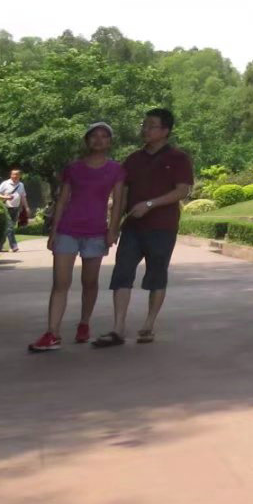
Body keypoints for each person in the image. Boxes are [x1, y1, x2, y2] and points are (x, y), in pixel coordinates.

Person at [94, 108, 193, 348]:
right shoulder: (133, 159)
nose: (145, 130)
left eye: (152, 126)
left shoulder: (178, 158)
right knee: (122, 273)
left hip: (162, 227)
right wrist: (114, 226)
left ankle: (148, 324)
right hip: (133, 227)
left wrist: (150, 204)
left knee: (157, 275)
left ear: (165, 131)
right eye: (145, 125)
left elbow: (183, 190)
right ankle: (118, 328)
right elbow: (122, 194)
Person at [28, 123, 124, 352]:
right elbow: (62, 200)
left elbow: (118, 202)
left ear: (109, 142)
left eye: (104, 137)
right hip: (68, 230)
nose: (99, 140)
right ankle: (52, 332)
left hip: (95, 233)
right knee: (60, 283)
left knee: (89, 282)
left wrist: (113, 230)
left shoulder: (116, 170)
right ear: (87, 141)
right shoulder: (73, 168)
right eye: (94, 136)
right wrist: (53, 231)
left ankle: (84, 323)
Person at [0, 168, 31, 253]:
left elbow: (23, 197)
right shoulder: (5, 183)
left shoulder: (21, 185)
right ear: (10, 175)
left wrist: (27, 207)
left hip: (16, 208)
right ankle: (14, 246)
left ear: (19, 176)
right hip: (6, 207)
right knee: (9, 227)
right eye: (13, 174)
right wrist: (6, 197)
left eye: (17, 174)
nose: (15, 176)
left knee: (7, 228)